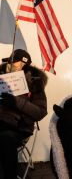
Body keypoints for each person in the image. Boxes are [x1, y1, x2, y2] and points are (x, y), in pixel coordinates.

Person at [0, 49, 48, 179]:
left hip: (20, 127)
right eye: (11, 62)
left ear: (25, 66)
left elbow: (40, 112)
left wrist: (16, 102)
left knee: (5, 138)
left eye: (16, 64)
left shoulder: (35, 83)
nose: (11, 66)